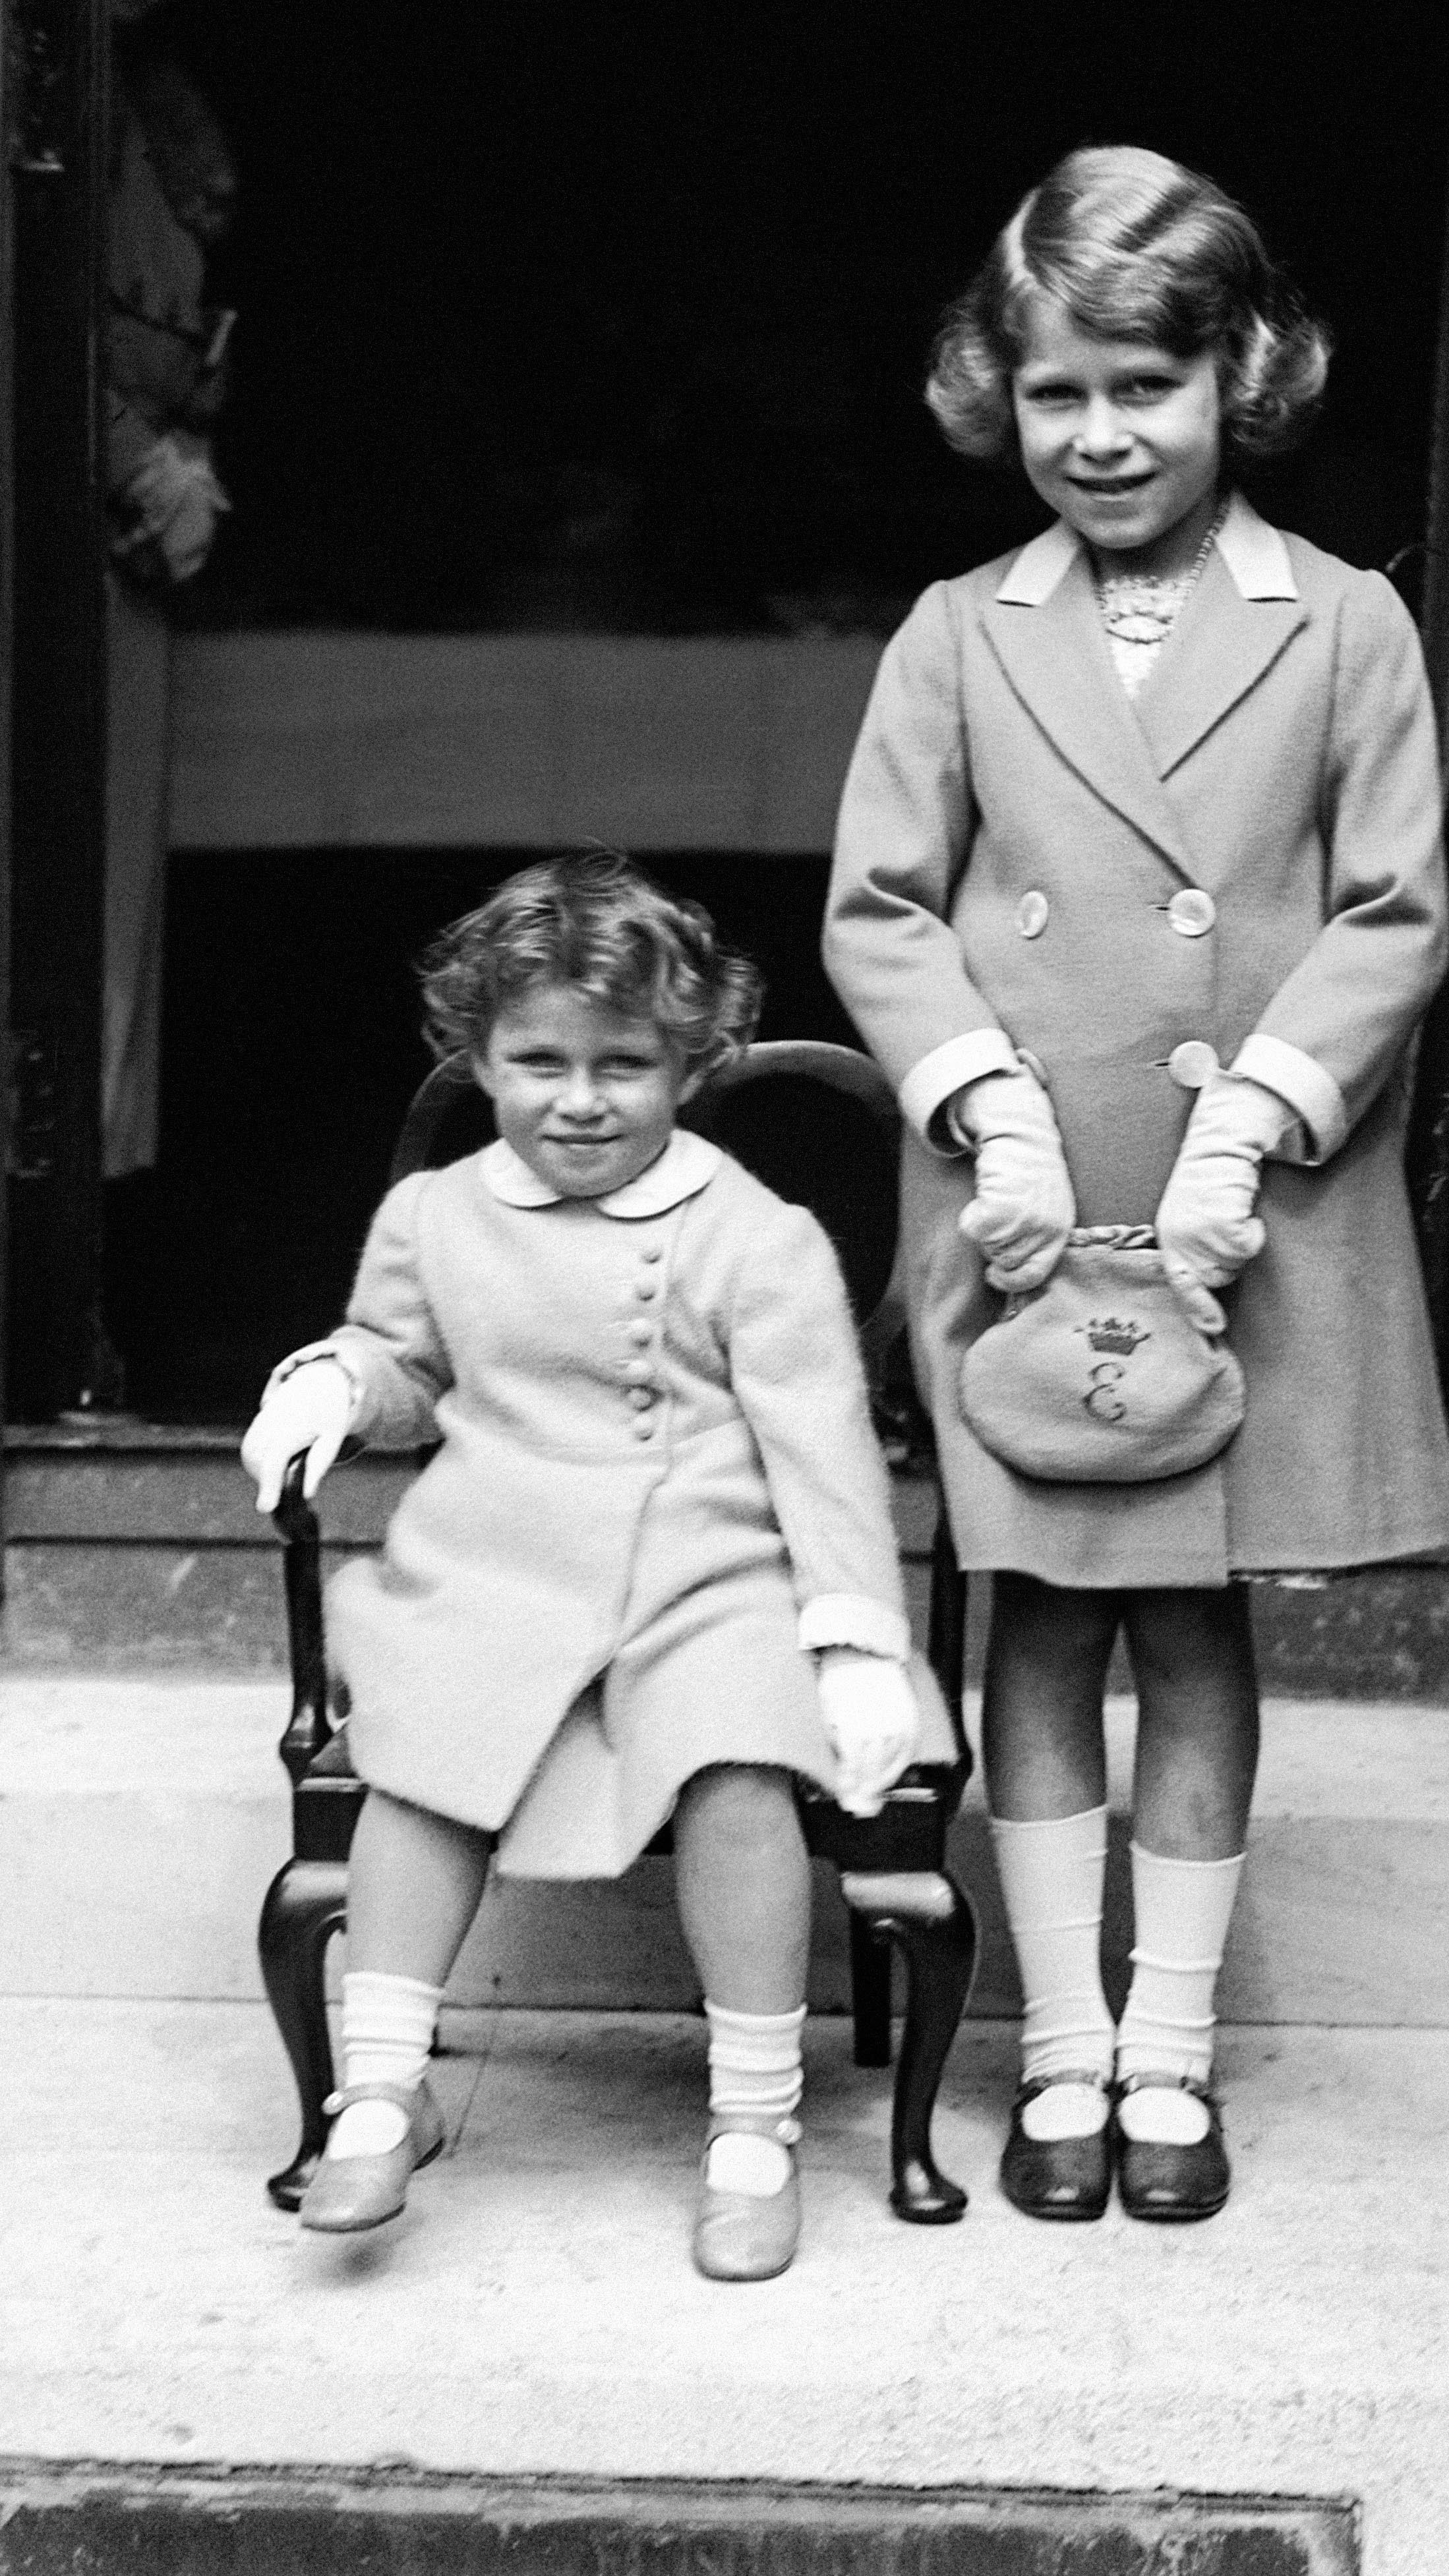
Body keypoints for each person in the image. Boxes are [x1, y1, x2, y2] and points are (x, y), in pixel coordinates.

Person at [824, 146, 1449, 2226]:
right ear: (992, 398)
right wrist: (981, 1106)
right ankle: (1061, 2056)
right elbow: (880, 907)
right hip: (1032, 1202)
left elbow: (1390, 914)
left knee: (1191, 1622)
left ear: (1239, 378)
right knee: (1030, 1616)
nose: (1098, 436)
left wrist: (1252, 1117)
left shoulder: (1342, 622)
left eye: (1143, 389)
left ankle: (1169, 2060)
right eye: (1053, 395)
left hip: (1233, 1205)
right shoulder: (952, 633)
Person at [241, 854, 941, 2281]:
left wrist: (856, 1632)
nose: (579, 1097)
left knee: (741, 1765)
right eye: (537, 1059)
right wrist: (332, 1385)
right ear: (476, 1055)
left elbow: (818, 1443)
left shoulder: (754, 1232)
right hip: (495, 1552)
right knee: (422, 1759)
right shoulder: (434, 1216)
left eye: (624, 1063)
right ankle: (380, 2088)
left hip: (711, 1560)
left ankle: (754, 2121)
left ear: (690, 1063)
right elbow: (401, 1358)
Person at [106, 0, 236, 1179]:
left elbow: (183, 337)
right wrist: (139, 462)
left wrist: (189, 451)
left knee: (105, 937)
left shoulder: (158, 109)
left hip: (121, 568)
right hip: (47, 544)